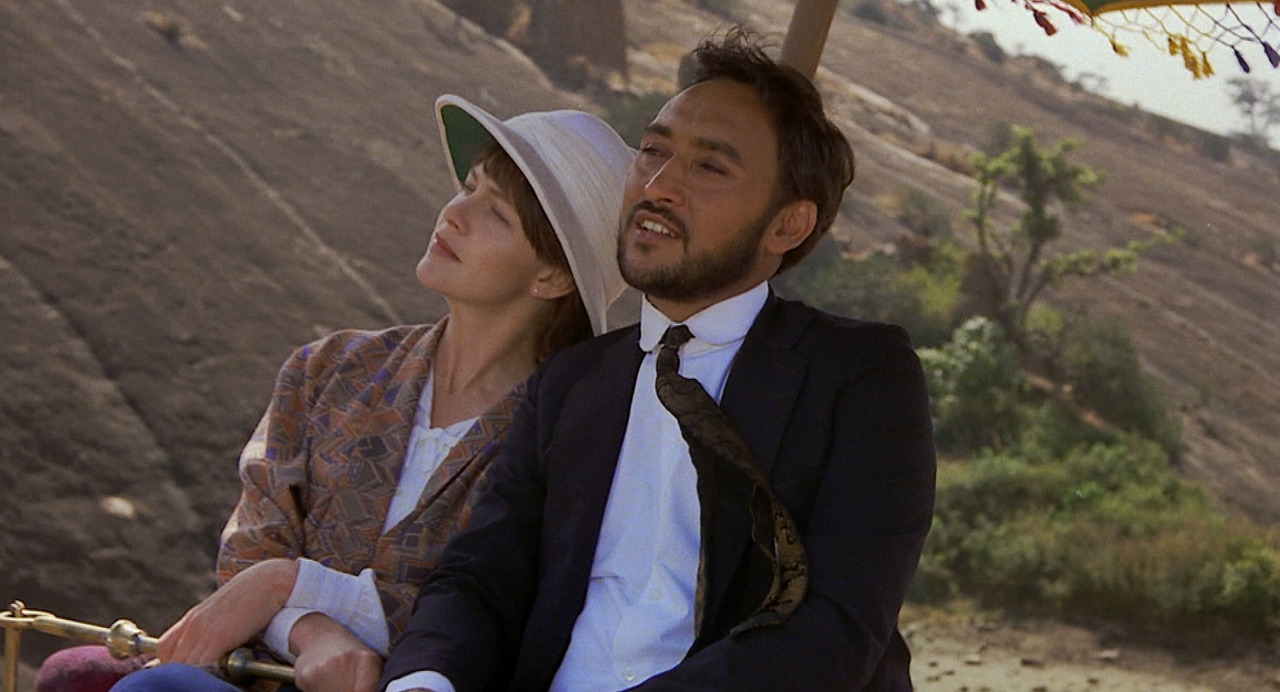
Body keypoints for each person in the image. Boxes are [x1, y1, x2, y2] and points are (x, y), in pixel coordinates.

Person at [378, 28, 937, 692]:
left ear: (787, 224)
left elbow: (835, 630)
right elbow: (478, 577)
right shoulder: (572, 383)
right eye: (652, 150)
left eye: (710, 167)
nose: (659, 184)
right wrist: (424, 682)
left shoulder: (857, 375)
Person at [33, 95, 634, 692]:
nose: (455, 213)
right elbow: (250, 552)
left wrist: (289, 583)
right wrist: (311, 629)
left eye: (496, 213)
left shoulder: (563, 436)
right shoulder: (331, 368)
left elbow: (490, 613)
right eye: (468, 186)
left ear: (551, 276)